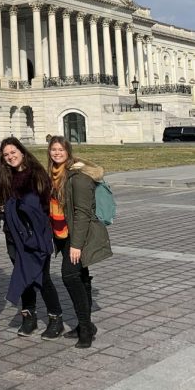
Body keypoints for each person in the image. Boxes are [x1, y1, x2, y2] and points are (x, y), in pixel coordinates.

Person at [47, 136, 112, 348]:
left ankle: (85, 328)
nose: (57, 153)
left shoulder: (78, 177)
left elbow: (82, 213)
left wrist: (76, 245)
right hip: (63, 235)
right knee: (81, 276)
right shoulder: (55, 174)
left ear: (68, 151)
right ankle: (86, 324)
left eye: (60, 149)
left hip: (77, 236)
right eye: (53, 149)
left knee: (70, 276)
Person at [0, 137, 63, 340]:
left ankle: (56, 319)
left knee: (42, 277)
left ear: (22, 151)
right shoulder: (5, 176)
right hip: (13, 236)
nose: (10, 157)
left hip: (36, 235)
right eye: (6, 154)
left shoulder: (36, 174)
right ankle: (29, 316)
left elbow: (41, 208)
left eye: (13, 152)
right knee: (22, 274)